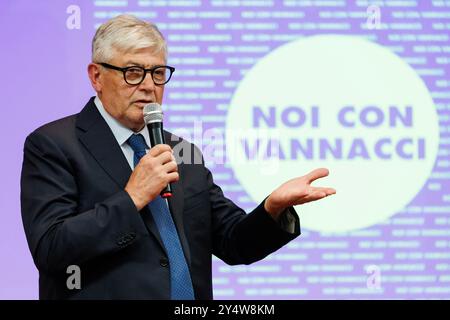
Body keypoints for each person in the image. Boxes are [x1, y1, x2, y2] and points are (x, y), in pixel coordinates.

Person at [20, 15, 336, 300]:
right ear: (96, 76)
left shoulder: (183, 153)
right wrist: (133, 198)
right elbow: (51, 248)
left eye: (158, 73)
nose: (148, 86)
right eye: (132, 72)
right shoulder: (54, 144)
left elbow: (232, 242)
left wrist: (272, 208)